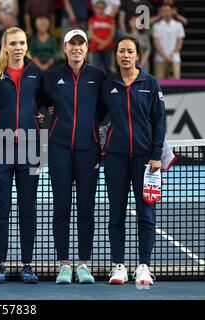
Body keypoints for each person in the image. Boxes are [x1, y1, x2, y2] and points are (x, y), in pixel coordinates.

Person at [43, 29, 107, 284]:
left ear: (87, 49)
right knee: (61, 207)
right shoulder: (52, 77)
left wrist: (90, 128)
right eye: (72, 43)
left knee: (86, 208)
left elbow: (103, 109)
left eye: (81, 44)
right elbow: (40, 102)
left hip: (88, 149)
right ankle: (64, 265)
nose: (77, 48)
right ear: (65, 48)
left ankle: (83, 264)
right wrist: (50, 117)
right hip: (58, 148)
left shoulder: (98, 76)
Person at [102, 36, 166, 285]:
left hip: (145, 161)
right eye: (121, 51)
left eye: (130, 51)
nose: (125, 55)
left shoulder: (151, 83)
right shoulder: (108, 85)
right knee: (116, 214)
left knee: (146, 214)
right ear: (116, 56)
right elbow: (92, 112)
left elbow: (159, 120)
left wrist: (156, 154)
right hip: (115, 158)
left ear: (138, 55)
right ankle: (119, 265)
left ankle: (143, 266)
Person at [0, 27, 44, 284]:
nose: (18, 47)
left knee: (28, 207)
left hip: (31, 148)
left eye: (22, 42)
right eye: (13, 43)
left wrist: (38, 118)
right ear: (5, 46)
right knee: (1, 207)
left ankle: (27, 264)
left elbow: (46, 102)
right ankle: (0, 263)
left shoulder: (36, 74)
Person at [152, 4, 185, 79]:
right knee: (159, 85)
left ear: (172, 12)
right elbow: (156, 42)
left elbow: (179, 42)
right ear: (161, 12)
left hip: (174, 58)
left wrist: (171, 55)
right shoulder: (156, 25)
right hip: (160, 58)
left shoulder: (178, 25)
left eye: (167, 10)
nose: (166, 12)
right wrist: (165, 56)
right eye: (164, 11)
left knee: (175, 84)